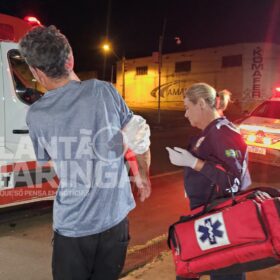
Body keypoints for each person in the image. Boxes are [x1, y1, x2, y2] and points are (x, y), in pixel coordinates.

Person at [19, 25, 151, 280]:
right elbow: (141, 137)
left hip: (74, 227)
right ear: (70, 59)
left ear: (36, 71)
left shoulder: (37, 114)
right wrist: (143, 176)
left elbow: (46, 159)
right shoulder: (105, 91)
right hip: (115, 222)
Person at [166, 83, 251, 280]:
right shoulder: (210, 131)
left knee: (223, 273)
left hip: (220, 218)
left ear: (202, 103)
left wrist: (193, 162)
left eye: (188, 107)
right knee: (195, 268)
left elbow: (233, 182)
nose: (186, 114)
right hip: (207, 215)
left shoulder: (223, 133)